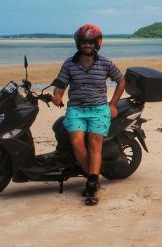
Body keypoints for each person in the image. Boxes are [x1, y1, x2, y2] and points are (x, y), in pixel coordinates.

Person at [51, 24, 126, 205]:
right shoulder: (69, 63)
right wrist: (57, 96)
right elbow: (61, 85)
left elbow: (121, 81)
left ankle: (91, 185)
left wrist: (112, 104)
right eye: (84, 42)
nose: (87, 45)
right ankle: (95, 178)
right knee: (76, 142)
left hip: (99, 109)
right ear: (78, 43)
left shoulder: (106, 63)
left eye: (91, 42)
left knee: (95, 143)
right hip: (76, 109)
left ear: (97, 43)